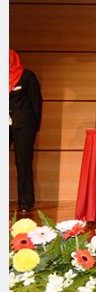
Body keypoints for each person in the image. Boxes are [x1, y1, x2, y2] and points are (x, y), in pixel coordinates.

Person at [9, 50, 42, 212]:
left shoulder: (27, 76)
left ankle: (25, 202)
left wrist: (34, 125)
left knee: (23, 164)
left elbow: (36, 102)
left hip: (24, 125)